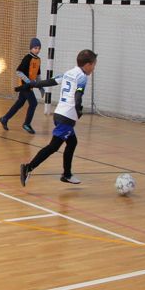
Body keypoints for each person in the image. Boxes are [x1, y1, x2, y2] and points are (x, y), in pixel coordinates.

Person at [19, 49, 98, 187]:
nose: (94, 68)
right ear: (87, 65)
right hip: (67, 117)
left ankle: (67, 174)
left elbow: (50, 82)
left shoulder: (68, 73)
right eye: (93, 65)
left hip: (59, 114)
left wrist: (32, 84)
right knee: (53, 146)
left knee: (72, 142)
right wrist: (78, 109)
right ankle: (28, 167)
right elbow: (78, 95)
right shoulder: (82, 77)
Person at [0, 38, 44, 134]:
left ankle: (4, 118)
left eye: (39, 48)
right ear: (31, 48)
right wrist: (28, 81)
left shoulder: (38, 60)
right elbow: (18, 71)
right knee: (34, 103)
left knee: (19, 103)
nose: (37, 50)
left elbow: (38, 74)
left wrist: (40, 86)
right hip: (24, 86)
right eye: (35, 48)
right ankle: (27, 124)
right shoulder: (27, 58)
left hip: (30, 86)